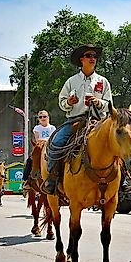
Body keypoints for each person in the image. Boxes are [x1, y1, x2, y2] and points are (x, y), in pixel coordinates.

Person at [43, 44, 113, 195]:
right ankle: (52, 178)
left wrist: (98, 102)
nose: (92, 59)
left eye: (94, 56)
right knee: (56, 143)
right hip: (75, 120)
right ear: (82, 59)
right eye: (89, 56)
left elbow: (109, 104)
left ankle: (123, 180)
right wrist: (69, 102)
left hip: (98, 121)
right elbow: (61, 102)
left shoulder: (103, 81)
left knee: (118, 142)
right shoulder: (71, 81)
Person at [24, 110, 56, 182]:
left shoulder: (52, 128)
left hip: (49, 146)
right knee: (30, 159)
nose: (43, 118)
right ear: (38, 119)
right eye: (40, 117)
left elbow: (53, 138)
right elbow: (37, 139)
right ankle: (26, 180)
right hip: (40, 146)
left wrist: (47, 143)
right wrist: (41, 143)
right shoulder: (37, 128)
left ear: (48, 118)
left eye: (44, 116)